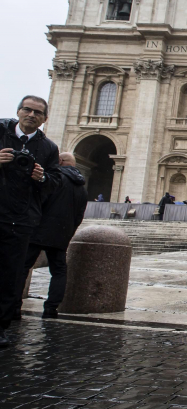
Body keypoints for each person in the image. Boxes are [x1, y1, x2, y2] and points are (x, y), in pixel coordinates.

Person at [0, 96, 61, 347]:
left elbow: (55, 182)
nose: (31, 115)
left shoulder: (48, 148)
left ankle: (1, 326)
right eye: (27, 110)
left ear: (45, 118)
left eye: (38, 112)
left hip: (21, 219)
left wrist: (43, 177)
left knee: (11, 275)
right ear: (18, 111)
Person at [14, 152, 88, 319]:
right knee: (59, 271)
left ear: (59, 161)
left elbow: (38, 202)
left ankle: (14, 306)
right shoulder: (82, 188)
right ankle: (51, 309)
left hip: (38, 230)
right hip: (62, 233)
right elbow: (79, 216)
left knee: (23, 267)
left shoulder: (53, 178)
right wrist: (69, 232)